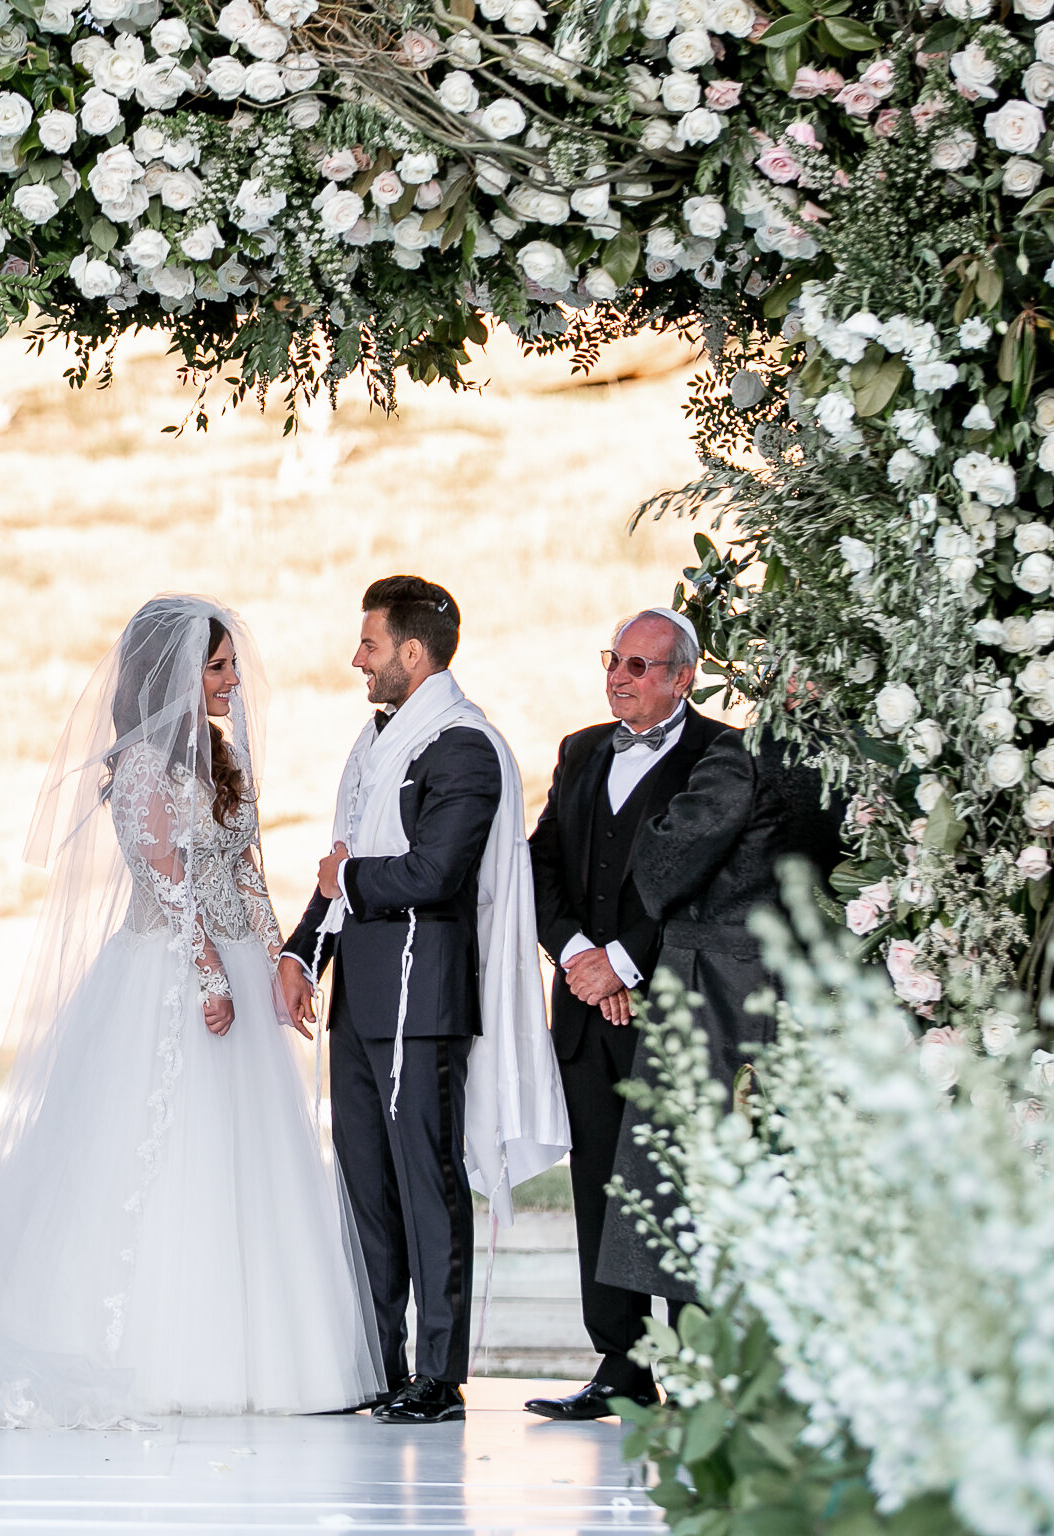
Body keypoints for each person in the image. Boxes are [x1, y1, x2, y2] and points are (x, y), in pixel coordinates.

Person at [0, 596, 386, 1429]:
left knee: (250, 1162)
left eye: (230, 665)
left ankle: (270, 1361)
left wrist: (278, 960)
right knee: (158, 1153)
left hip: (232, 959)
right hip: (167, 968)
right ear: (170, 675)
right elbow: (164, 874)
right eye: (217, 667)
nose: (234, 682)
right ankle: (149, 1355)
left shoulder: (221, 760)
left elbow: (244, 870)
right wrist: (207, 974)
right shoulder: (139, 770)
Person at [275, 577, 570, 1426]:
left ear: (413, 653)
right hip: (362, 998)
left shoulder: (464, 748)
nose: (355, 660)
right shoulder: (376, 743)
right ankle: (376, 1362)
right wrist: (302, 950)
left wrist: (352, 881)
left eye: (368, 645)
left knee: (426, 1186)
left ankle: (438, 1377)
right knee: (364, 1188)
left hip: (422, 996)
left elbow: (436, 873)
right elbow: (340, 869)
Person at [524, 608, 729, 1423]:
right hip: (584, 1008)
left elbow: (703, 876)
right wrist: (579, 953)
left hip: (673, 1009)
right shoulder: (579, 751)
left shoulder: (721, 754)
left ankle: (702, 1369)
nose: (620, 676)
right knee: (601, 1185)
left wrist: (624, 959)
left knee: (676, 1186)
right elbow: (540, 861)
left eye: (641, 666)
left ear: (683, 677)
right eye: (615, 660)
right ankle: (621, 1365)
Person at [595, 728, 847, 1309]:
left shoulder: (747, 754)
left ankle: (700, 1376)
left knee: (693, 1189)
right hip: (805, 987)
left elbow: (660, 870)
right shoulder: (856, 746)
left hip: (718, 990)